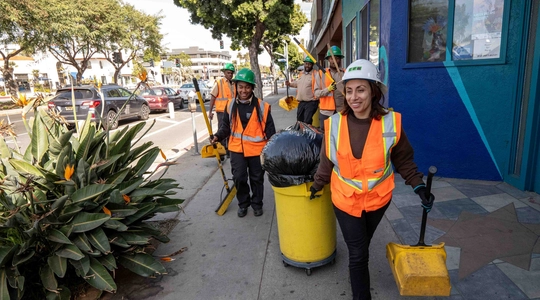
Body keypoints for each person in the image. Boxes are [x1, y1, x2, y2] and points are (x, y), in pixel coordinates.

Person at [310, 59, 435, 300]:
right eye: (348, 90)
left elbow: (403, 159)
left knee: (362, 246)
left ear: (373, 91)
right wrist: (318, 184)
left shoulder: (391, 122)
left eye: (360, 89)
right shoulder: (333, 124)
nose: (353, 97)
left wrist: (419, 186)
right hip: (346, 201)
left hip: (378, 201)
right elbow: (327, 159)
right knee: (358, 254)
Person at [212, 68, 276, 218]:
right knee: (239, 177)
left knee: (257, 179)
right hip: (236, 149)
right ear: (236, 87)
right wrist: (217, 136)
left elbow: (270, 131)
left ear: (252, 88)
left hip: (257, 150)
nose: (244, 90)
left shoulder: (262, 106)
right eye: (240, 87)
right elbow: (225, 128)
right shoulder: (230, 105)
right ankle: (243, 203)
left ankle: (257, 204)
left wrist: (273, 150)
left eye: (247, 87)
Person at [314, 45, 346, 131]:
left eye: (337, 58)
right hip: (326, 112)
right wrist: (327, 89)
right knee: (325, 137)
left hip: (342, 111)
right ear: (328, 59)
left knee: (340, 136)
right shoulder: (321, 74)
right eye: (332, 58)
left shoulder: (345, 74)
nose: (334, 61)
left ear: (340, 59)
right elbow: (316, 94)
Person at [208, 63, 236, 156]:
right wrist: (210, 111)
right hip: (221, 111)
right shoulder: (219, 83)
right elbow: (213, 97)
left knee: (232, 129)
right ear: (224, 73)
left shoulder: (234, 83)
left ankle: (230, 148)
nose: (230, 75)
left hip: (232, 110)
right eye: (228, 73)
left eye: (231, 73)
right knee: (222, 130)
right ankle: (223, 150)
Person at [285, 56, 319, 125]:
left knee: (307, 121)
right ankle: (301, 135)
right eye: (306, 63)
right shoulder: (302, 74)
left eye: (309, 64)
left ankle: (308, 135)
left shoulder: (316, 74)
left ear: (312, 65)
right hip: (301, 102)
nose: (307, 65)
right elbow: (297, 83)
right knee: (299, 120)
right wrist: (289, 84)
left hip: (311, 102)